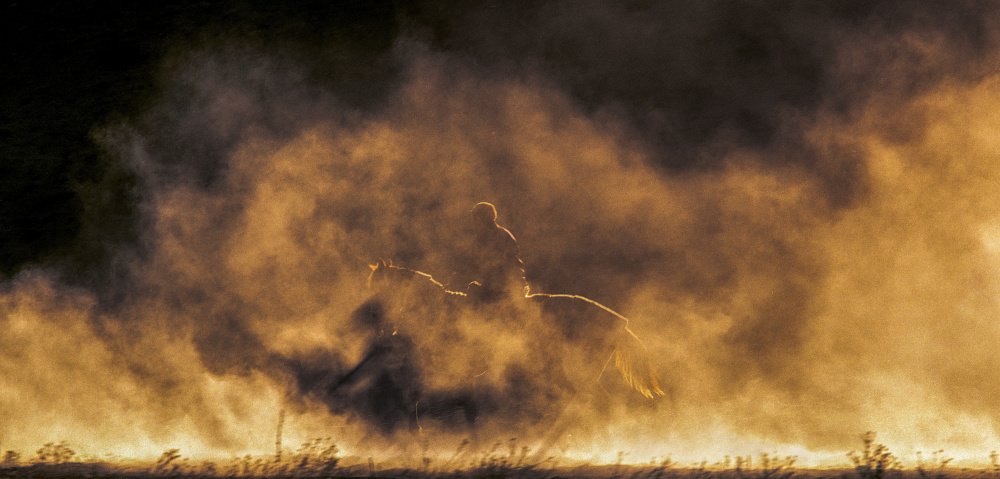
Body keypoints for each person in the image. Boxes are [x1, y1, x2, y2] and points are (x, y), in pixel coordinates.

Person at [463, 202, 528, 302]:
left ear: (479, 219)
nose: (472, 225)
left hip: (499, 291)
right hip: (516, 286)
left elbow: (481, 268)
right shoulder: (505, 233)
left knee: (471, 297)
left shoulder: (484, 238)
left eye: (473, 220)